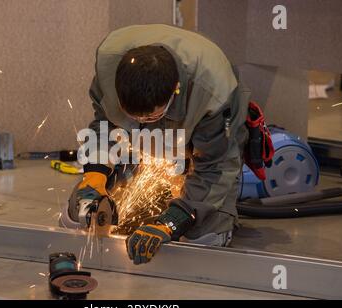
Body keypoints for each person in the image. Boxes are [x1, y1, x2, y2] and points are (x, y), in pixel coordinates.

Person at [68, 24, 251, 265]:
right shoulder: (107, 69)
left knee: (203, 237)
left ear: (175, 91)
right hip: (142, 143)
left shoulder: (213, 92)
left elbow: (216, 166)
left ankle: (212, 221)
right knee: (80, 213)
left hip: (201, 148)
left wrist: (173, 220)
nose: (142, 122)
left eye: (151, 118)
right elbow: (104, 127)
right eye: (132, 116)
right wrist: (94, 176)